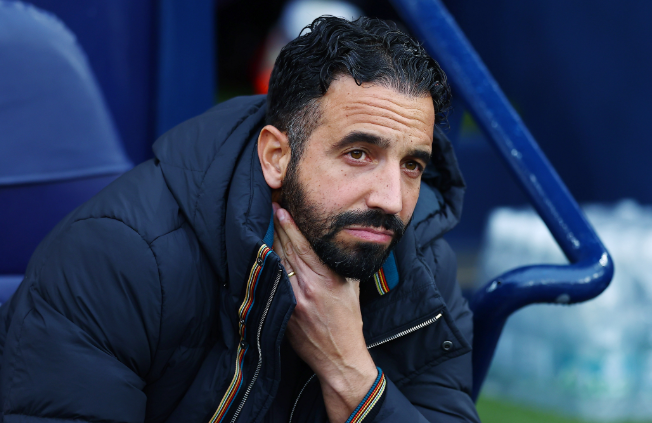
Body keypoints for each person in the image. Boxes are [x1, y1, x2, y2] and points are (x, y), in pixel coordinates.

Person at [0, 16, 479, 423]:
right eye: (358, 153)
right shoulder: (119, 257)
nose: (392, 199)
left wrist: (349, 373)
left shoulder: (422, 264)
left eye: (411, 165)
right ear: (275, 156)